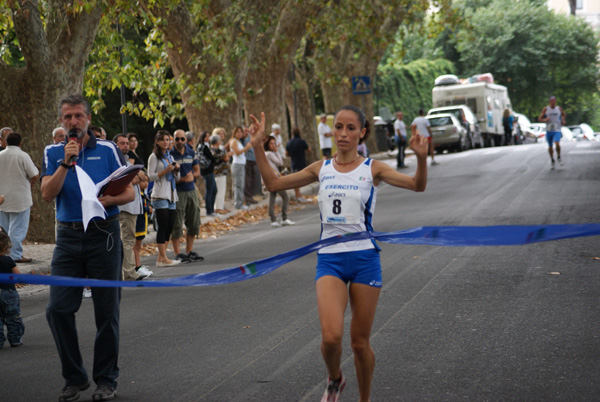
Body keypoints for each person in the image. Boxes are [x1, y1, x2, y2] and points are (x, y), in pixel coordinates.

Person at [249, 105, 428, 402]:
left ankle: (364, 399)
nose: (343, 134)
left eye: (350, 128)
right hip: (330, 260)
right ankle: (335, 378)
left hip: (365, 260)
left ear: (362, 133)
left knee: (359, 344)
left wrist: (421, 160)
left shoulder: (373, 169)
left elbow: (417, 186)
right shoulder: (322, 168)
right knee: (331, 338)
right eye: (338, 127)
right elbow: (273, 184)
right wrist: (256, 146)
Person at [42, 94, 135, 401]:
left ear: (88, 119)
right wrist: (65, 164)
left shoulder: (108, 149)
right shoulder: (54, 151)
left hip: (103, 236)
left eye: (78, 116)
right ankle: (75, 377)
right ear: (61, 121)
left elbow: (129, 194)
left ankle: (106, 379)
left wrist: (108, 200)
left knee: (107, 312)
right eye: (67, 117)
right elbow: (46, 194)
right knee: (57, 309)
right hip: (67, 239)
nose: (73, 122)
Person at [114, 134, 150, 281]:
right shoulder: (117, 161)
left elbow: (144, 178)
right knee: (127, 240)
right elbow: (132, 178)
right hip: (125, 207)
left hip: (134, 206)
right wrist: (136, 177)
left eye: (127, 143)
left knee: (129, 240)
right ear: (115, 145)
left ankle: (126, 271)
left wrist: (137, 177)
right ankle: (128, 272)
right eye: (122, 143)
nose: (126, 146)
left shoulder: (128, 161)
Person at [0, 132, 40, 263]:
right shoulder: (23, 155)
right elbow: (34, 174)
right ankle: (16, 255)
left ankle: (4, 254)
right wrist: (31, 183)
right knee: (17, 229)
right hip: (20, 197)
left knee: (4, 228)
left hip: (2, 197)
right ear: (20, 143)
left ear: (5, 142)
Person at [148, 130, 181, 267]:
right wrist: (165, 171)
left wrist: (176, 170)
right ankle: (162, 258)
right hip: (160, 195)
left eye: (167, 140)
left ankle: (162, 258)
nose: (165, 142)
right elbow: (150, 176)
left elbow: (177, 178)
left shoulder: (170, 157)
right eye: (162, 140)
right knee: (162, 227)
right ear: (157, 141)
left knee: (169, 227)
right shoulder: (154, 157)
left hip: (172, 196)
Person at [170, 129, 203, 263]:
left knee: (194, 220)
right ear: (173, 140)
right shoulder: (170, 154)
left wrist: (192, 176)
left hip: (191, 190)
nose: (180, 142)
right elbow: (168, 175)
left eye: (182, 139)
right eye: (177, 139)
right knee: (177, 222)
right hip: (177, 191)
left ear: (185, 140)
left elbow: (197, 171)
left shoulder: (191, 152)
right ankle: (178, 253)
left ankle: (189, 251)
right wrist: (181, 179)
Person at [0, 226, 24, 349]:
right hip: (8, 292)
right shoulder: (8, 260)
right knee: (13, 316)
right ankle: (15, 339)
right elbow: (18, 276)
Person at [264, 136, 294, 227]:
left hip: (270, 178)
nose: (273, 145)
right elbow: (280, 162)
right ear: (267, 144)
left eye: (274, 143)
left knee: (272, 199)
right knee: (285, 197)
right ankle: (284, 218)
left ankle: (273, 220)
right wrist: (277, 151)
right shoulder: (269, 154)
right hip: (274, 178)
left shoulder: (266, 154)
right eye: (271, 143)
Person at [229, 126, 253, 210]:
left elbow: (243, 153)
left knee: (241, 184)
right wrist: (246, 147)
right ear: (234, 133)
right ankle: (238, 203)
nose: (240, 134)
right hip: (237, 165)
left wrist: (246, 148)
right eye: (238, 132)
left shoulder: (239, 141)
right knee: (238, 184)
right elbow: (237, 153)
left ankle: (240, 201)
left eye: (241, 132)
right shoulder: (233, 141)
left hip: (242, 164)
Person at [538, 96, 566, 169]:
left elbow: (563, 114)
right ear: (549, 102)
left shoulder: (558, 109)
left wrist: (562, 120)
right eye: (551, 101)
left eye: (554, 101)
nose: (552, 102)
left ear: (555, 101)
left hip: (557, 129)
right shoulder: (546, 109)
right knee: (550, 146)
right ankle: (552, 160)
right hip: (549, 130)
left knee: (557, 143)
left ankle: (559, 157)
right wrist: (545, 120)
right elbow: (539, 118)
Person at [285, 127, 311, 202]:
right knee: (301, 180)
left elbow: (286, 154)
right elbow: (309, 150)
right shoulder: (301, 141)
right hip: (301, 162)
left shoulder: (289, 142)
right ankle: (299, 196)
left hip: (294, 162)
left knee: (296, 181)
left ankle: (297, 195)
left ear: (292, 133)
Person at [211, 127, 230, 214]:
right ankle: (218, 208)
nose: (222, 136)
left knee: (221, 190)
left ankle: (220, 206)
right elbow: (224, 157)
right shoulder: (215, 149)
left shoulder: (219, 148)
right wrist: (228, 155)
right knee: (219, 190)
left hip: (221, 172)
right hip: (218, 172)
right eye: (220, 134)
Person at [198, 131, 218, 217]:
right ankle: (209, 210)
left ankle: (211, 209)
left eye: (208, 136)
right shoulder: (204, 147)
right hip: (207, 171)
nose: (208, 138)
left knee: (214, 190)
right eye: (206, 137)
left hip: (209, 170)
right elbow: (211, 158)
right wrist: (213, 161)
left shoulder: (206, 146)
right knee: (210, 190)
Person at [244, 126, 261, 205]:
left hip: (254, 160)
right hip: (248, 160)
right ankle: (247, 197)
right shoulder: (247, 140)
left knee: (254, 179)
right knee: (248, 180)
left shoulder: (256, 140)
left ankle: (251, 196)